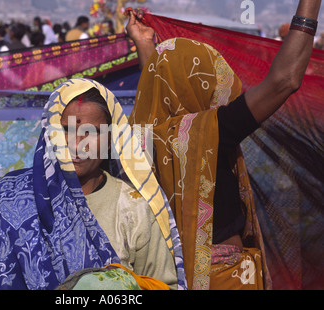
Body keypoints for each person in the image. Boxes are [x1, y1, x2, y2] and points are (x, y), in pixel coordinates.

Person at [126, 0, 321, 290]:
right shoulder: (210, 132)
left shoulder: (138, 139)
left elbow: (159, 92)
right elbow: (285, 80)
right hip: (223, 279)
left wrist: (145, 47)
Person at [0, 78, 186, 290]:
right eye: (66, 130)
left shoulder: (134, 209)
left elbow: (161, 284)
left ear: (109, 140)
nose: (77, 144)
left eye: (91, 132)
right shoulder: (10, 198)